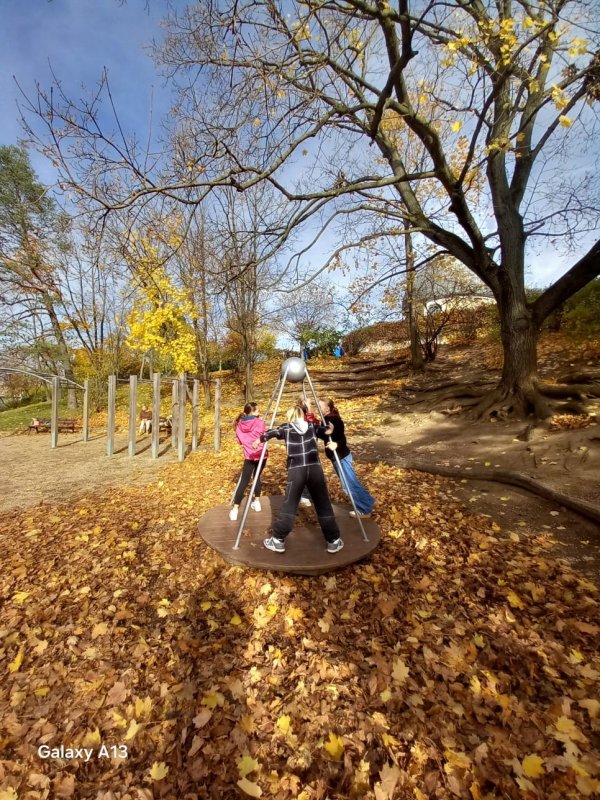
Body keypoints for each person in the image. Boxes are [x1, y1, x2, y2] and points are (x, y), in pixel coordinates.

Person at [257, 405, 343, 554]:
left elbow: (272, 432)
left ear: (290, 417)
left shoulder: (286, 428)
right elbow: (325, 431)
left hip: (296, 469)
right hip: (314, 468)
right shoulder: (312, 426)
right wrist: (329, 430)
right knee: (323, 503)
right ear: (302, 416)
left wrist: (260, 439)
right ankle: (333, 540)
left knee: (290, 504)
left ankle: (278, 540)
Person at [317, 398, 375, 517]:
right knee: (350, 483)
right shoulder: (326, 419)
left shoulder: (334, 420)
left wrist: (336, 444)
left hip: (341, 457)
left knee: (349, 485)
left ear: (327, 408)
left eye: (320, 406)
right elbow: (323, 434)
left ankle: (364, 510)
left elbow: (342, 438)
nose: (317, 408)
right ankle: (367, 502)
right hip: (337, 457)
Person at [230, 402, 267, 522]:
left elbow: (239, 441)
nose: (259, 412)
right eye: (258, 410)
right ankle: (257, 502)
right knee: (256, 477)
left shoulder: (239, 425)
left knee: (244, 481)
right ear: (253, 412)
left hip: (249, 456)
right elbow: (264, 436)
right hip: (261, 455)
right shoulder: (260, 423)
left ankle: (235, 509)